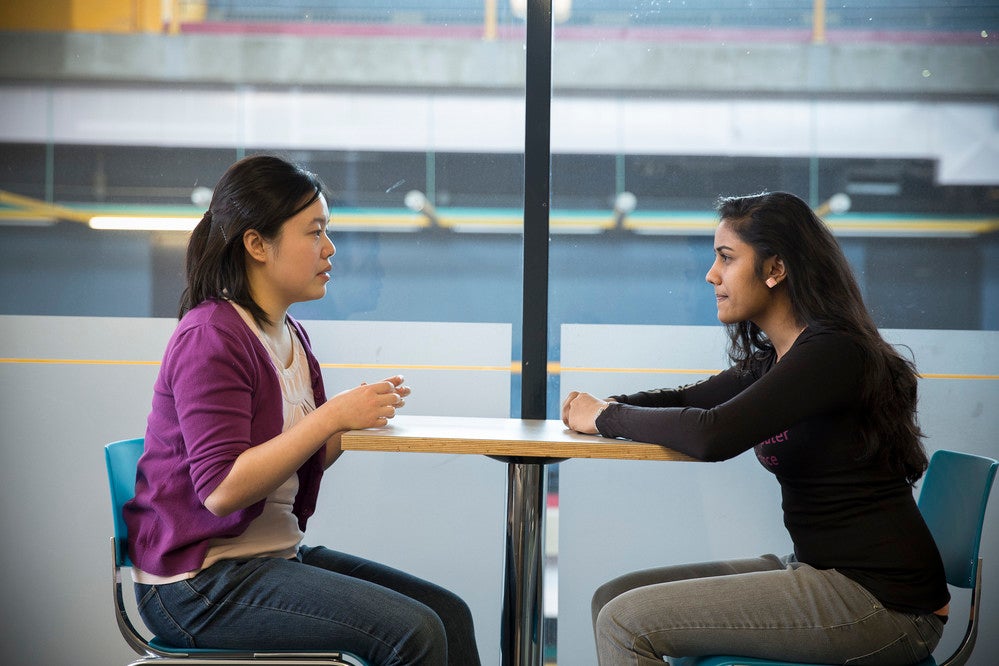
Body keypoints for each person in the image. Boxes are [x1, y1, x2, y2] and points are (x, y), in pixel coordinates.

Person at [561, 191, 949, 666]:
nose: (711, 275)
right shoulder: (780, 358)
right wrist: (608, 405)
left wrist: (604, 417)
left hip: (885, 604)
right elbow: (689, 400)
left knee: (626, 621)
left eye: (726, 258)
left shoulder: (833, 353)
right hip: (823, 571)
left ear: (776, 268)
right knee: (612, 597)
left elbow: (712, 434)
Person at [124, 155, 481, 666]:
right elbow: (223, 490)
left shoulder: (288, 335)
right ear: (256, 244)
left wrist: (352, 419)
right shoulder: (211, 337)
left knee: (449, 613)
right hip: (197, 583)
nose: (331, 249)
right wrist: (330, 417)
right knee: (415, 633)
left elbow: (295, 458)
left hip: (267, 557)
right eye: (315, 232)